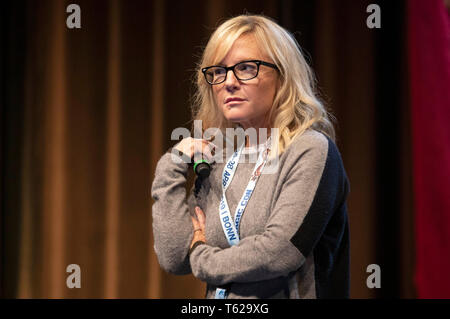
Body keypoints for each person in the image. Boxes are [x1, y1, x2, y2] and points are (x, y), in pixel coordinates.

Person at [151, 14, 350, 299]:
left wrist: (202, 256)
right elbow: (176, 257)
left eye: (245, 68)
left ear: (282, 75)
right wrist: (171, 166)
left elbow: (278, 253)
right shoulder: (219, 159)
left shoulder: (310, 150)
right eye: (218, 71)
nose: (228, 82)